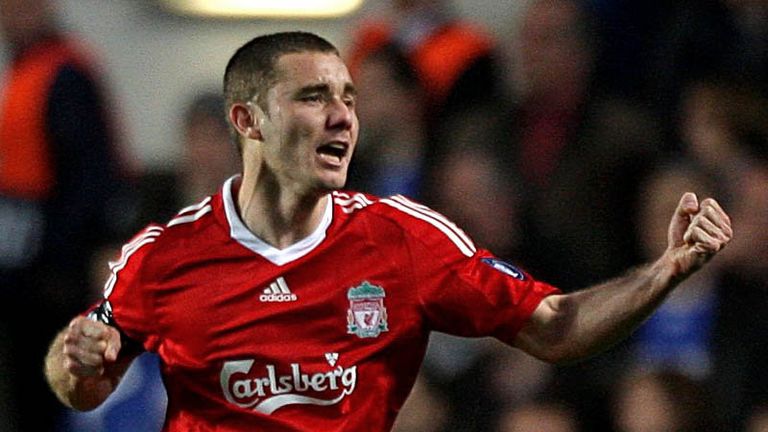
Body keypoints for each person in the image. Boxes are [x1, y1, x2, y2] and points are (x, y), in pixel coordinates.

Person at [43, 31, 732, 431]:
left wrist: (665, 268)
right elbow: (84, 385)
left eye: (348, 98)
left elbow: (552, 325)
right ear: (247, 122)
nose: (343, 116)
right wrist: (71, 357)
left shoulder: (405, 241)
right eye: (314, 97)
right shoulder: (165, 256)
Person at [0, 0, 136, 430]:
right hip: (22, 276)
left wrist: (58, 268)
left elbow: (89, 179)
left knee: (48, 402)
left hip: (51, 282)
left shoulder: (65, 73)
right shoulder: (23, 72)